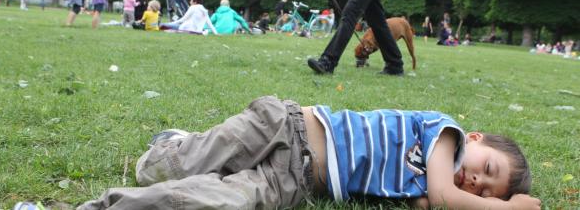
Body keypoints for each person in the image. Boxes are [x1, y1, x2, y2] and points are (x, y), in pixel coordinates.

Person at [76, 95, 540, 210]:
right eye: (488, 171)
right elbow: (443, 193)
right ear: (476, 139)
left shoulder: (425, 186)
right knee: (161, 169)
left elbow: (430, 200)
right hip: (285, 126)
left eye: (488, 191)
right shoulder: (446, 137)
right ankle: (174, 144)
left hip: (294, 182)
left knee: (213, 201)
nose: (477, 185)